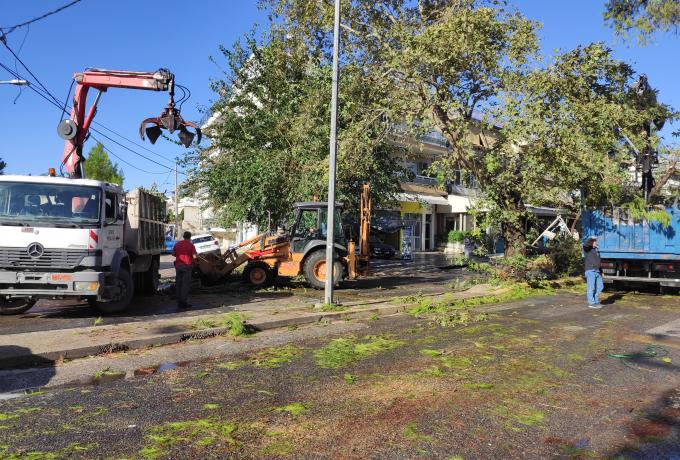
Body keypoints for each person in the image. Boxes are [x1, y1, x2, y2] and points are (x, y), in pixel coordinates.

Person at [172, 231, 197, 309]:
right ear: (190, 237)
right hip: (187, 266)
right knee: (185, 285)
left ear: (183, 236)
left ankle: (179, 302)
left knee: (178, 284)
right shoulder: (191, 245)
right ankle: (184, 303)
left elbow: (173, 253)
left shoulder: (177, 244)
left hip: (178, 266)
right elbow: (195, 257)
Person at [583, 236, 603, 309]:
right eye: (594, 242)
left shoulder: (596, 250)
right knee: (591, 287)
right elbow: (585, 244)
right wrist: (591, 238)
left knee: (600, 287)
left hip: (597, 271)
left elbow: (598, 262)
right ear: (591, 243)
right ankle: (591, 303)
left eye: (595, 242)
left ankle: (596, 301)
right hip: (590, 270)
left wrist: (601, 271)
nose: (595, 243)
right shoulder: (587, 249)